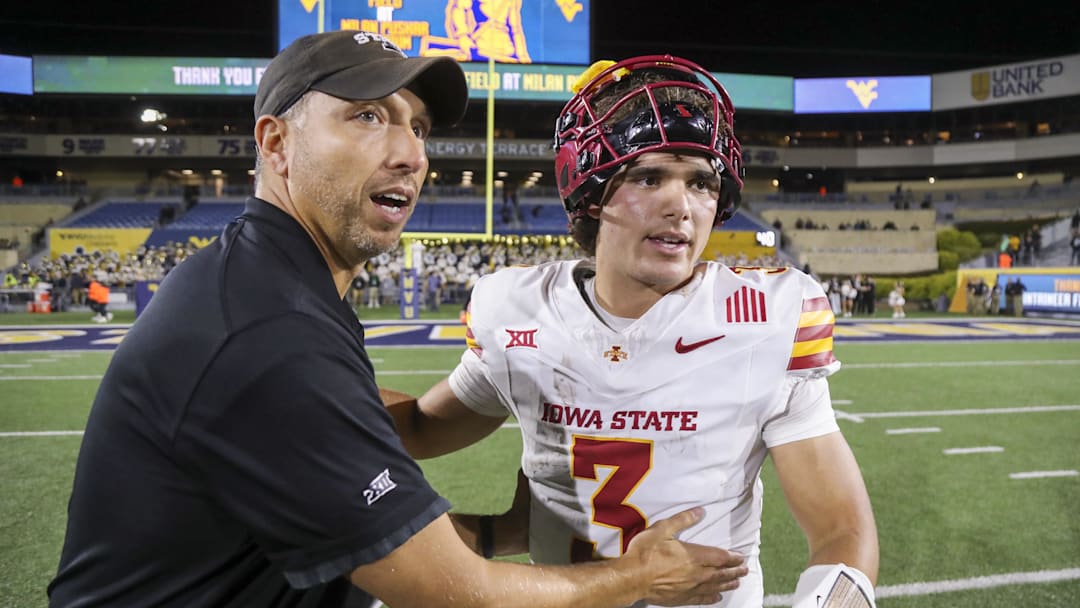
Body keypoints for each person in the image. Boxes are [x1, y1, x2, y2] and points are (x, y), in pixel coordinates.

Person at [48, 31, 743, 608]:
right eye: (368, 116)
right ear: (276, 143)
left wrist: (514, 511)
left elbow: (378, 476)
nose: (412, 153)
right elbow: (453, 591)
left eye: (419, 126)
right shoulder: (270, 334)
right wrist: (643, 576)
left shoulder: (274, 280)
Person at [392, 55, 879, 608]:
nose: (681, 207)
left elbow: (842, 531)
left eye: (701, 182)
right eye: (648, 177)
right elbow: (418, 430)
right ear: (590, 192)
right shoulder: (517, 311)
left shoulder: (764, 318)